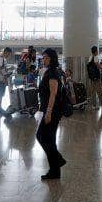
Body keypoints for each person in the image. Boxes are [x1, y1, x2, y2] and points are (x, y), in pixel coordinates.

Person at [37, 48, 67, 180]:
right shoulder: (49, 72)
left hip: (53, 111)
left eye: (46, 57)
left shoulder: (53, 73)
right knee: (49, 139)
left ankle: (57, 162)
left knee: (42, 136)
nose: (44, 59)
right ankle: (55, 169)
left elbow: (53, 94)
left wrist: (48, 112)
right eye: (43, 57)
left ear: (52, 59)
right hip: (50, 110)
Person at [0, 47, 12, 111]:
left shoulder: (4, 59)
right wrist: (4, 75)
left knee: (1, 93)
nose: (9, 56)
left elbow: (3, 68)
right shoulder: (0, 59)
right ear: (6, 52)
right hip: (0, 79)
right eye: (9, 54)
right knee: (0, 93)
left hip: (2, 79)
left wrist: (9, 69)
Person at [86, 45, 102, 110]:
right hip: (96, 77)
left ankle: (93, 105)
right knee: (99, 90)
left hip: (92, 77)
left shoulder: (90, 57)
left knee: (93, 91)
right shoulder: (95, 57)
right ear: (96, 51)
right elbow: (98, 66)